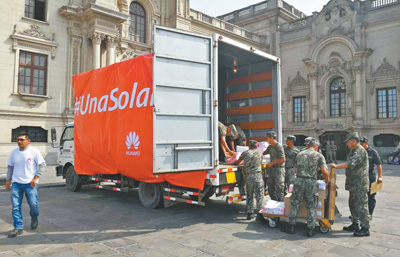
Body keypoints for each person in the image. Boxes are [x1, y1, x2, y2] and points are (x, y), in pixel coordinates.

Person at [281, 138, 329, 237]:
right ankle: (310, 229)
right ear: (316, 147)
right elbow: (324, 171)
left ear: (308, 145)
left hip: (298, 181)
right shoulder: (319, 155)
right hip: (311, 182)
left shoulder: (300, 154)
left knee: (295, 203)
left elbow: (295, 170)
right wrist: (327, 182)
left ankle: (291, 226)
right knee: (311, 205)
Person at [5, 132, 46, 238]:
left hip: (30, 183)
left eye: (21, 140)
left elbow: (42, 165)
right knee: (15, 206)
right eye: (18, 140)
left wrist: (36, 178)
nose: (19, 141)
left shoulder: (34, 152)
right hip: (16, 183)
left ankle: (34, 217)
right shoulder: (14, 152)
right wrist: (8, 180)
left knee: (33, 204)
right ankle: (18, 227)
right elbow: (10, 167)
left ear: (28, 141)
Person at [330, 132, 370, 237]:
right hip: (353, 184)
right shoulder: (353, 151)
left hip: (359, 184)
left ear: (354, 141)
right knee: (353, 204)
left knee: (361, 206)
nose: (346, 144)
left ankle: (365, 228)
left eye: (348, 142)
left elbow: (349, 164)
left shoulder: (359, 151)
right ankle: (355, 224)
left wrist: (336, 166)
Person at [235, 140, 264, 220]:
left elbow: (238, 162)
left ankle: (249, 213)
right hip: (258, 175)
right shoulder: (260, 153)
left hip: (249, 176)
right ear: (256, 146)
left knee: (249, 194)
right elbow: (259, 162)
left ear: (249, 146)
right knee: (259, 195)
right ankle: (260, 214)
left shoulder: (245, 153)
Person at [360, 136, 383, 219]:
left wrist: (380, 177)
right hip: (360, 177)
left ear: (367, 143)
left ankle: (370, 213)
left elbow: (379, 165)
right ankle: (360, 213)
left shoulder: (373, 152)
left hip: (370, 177)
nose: (361, 145)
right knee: (360, 196)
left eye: (362, 144)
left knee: (371, 196)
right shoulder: (358, 152)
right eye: (360, 144)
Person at [263, 131, 285, 202]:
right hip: (272, 170)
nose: (267, 140)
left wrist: (271, 163)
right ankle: (274, 202)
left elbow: (283, 159)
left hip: (279, 169)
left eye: (267, 138)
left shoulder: (278, 146)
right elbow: (264, 153)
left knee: (279, 188)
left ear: (271, 138)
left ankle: (281, 204)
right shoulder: (270, 147)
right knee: (270, 187)